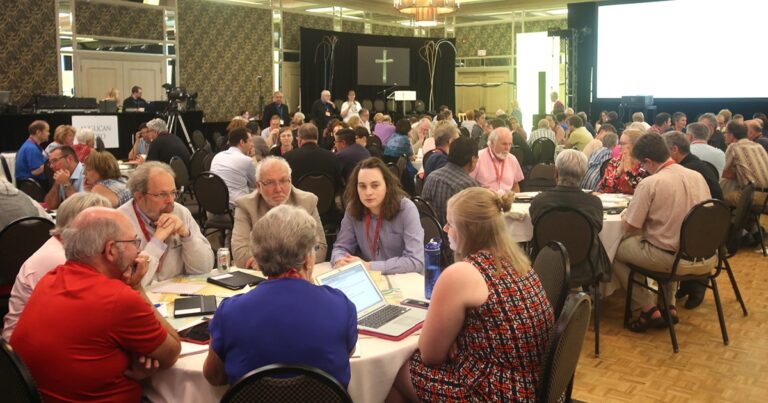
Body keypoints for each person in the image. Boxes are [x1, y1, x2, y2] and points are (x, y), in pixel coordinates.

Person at [388, 187, 554, 402]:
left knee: (394, 372)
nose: (445, 228)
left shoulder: (463, 274)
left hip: (496, 392)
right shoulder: (520, 263)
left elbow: (430, 356)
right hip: (537, 386)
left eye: (451, 223)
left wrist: (448, 341)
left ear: (469, 231)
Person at [10, 207, 181, 402]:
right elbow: (172, 352)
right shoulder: (118, 298)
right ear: (110, 250)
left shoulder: (51, 278)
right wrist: (137, 287)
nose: (139, 250)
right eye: (134, 242)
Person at [203, 204, 357, 387]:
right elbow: (346, 355)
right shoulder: (340, 305)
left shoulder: (229, 312)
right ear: (307, 259)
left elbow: (214, 377)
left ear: (259, 261)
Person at [612, 133, 714, 332]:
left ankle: (648, 308)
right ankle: (668, 305)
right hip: (705, 257)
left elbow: (630, 226)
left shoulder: (651, 183)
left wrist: (627, 214)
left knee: (615, 250)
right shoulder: (698, 176)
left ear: (648, 161)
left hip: (671, 260)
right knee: (666, 239)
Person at [2, 192, 111, 342]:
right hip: (25, 347)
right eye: (105, 225)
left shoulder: (69, 248)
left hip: (40, 335)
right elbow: (95, 311)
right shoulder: (61, 259)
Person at [117, 162, 213, 286]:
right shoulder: (120, 222)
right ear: (139, 197)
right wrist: (157, 241)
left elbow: (204, 269)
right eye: (161, 195)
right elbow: (133, 283)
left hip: (180, 295)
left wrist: (186, 235)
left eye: (173, 193)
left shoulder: (180, 212)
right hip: (142, 298)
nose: (170, 201)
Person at [662, 131, 724, 309]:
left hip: (706, 232)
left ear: (674, 150)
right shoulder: (694, 163)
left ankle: (694, 285)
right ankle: (684, 285)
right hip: (711, 226)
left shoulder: (688, 170)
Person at [331, 157, 424, 274]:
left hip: (404, 281)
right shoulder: (353, 209)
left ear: (387, 186)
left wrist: (370, 266)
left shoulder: (406, 209)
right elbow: (340, 247)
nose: (368, 192)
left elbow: (415, 261)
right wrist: (340, 260)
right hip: (373, 280)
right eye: (362, 186)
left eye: (375, 185)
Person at [531, 150, 610, 285]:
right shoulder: (594, 203)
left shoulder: (539, 201)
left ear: (555, 173)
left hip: (546, 267)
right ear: (583, 175)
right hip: (585, 269)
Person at [231, 157, 326, 269]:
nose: (278, 189)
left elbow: (320, 250)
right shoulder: (246, 205)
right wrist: (297, 260)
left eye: (283, 181)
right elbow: (240, 255)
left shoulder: (307, 201)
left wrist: (267, 264)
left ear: (290, 180)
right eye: (270, 183)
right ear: (258, 186)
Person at [422, 136, 480, 226]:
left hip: (431, 234)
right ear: (473, 159)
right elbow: (476, 222)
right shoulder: (470, 186)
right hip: (456, 236)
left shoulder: (432, 177)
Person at [720, 120, 768, 207]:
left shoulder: (734, 146)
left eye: (726, 132)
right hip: (766, 197)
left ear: (731, 135)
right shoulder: (758, 146)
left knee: (721, 197)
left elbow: (724, 173)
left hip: (752, 196)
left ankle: (731, 220)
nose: (724, 135)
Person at [209, 127, 256, 209]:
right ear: (242, 142)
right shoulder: (246, 160)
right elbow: (257, 183)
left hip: (213, 205)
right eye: (250, 141)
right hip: (236, 208)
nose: (253, 144)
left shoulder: (218, 156)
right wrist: (253, 156)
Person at [284, 123, 341, 188]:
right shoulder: (332, 157)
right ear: (317, 138)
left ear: (299, 139)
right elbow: (338, 184)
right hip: (326, 197)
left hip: (298, 197)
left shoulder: (288, 157)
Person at [471, 127, 524, 194]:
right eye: (504, 144)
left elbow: (515, 186)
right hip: (485, 201)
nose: (507, 148)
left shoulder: (512, 159)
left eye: (510, 144)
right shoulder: (478, 157)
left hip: (507, 201)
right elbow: (469, 187)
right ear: (492, 144)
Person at [597, 128, 648, 195]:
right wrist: (618, 171)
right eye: (619, 143)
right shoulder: (615, 161)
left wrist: (628, 172)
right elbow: (604, 188)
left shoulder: (646, 163)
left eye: (623, 144)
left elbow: (642, 191)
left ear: (636, 145)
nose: (619, 147)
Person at [44, 145, 86, 209]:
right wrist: (56, 183)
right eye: (50, 163)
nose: (51, 166)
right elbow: (50, 206)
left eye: (55, 161)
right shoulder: (62, 174)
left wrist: (66, 184)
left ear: (69, 159)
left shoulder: (86, 173)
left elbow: (80, 207)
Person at [14, 120, 49, 185]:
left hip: (29, 183)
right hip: (32, 185)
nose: (48, 133)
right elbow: (35, 172)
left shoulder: (29, 144)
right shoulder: (31, 148)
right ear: (38, 132)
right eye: (47, 131)